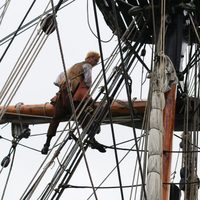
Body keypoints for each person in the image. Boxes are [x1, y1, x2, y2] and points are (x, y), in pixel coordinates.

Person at [41, 51, 106, 154]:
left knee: (56, 118)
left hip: (62, 97)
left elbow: (58, 80)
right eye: (95, 60)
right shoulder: (87, 66)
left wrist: (66, 85)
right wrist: (81, 86)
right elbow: (88, 81)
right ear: (90, 58)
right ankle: (93, 137)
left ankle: (46, 144)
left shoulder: (73, 67)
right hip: (73, 97)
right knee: (84, 112)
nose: (96, 63)